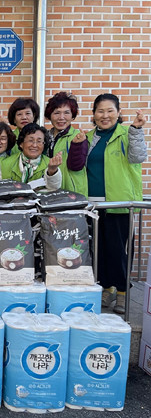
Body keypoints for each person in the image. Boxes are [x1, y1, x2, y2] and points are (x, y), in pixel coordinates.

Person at [86, 94, 147, 314]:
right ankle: (106, 288)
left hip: (119, 203)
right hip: (93, 205)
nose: (105, 115)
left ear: (119, 113)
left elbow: (138, 157)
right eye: (100, 111)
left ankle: (122, 291)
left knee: (118, 251)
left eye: (110, 110)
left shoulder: (127, 133)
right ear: (94, 114)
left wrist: (137, 130)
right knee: (98, 251)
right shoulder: (88, 137)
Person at [0, 123, 62, 190]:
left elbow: (54, 188)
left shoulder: (50, 164)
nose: (34, 145)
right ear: (21, 143)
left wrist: (52, 171)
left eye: (39, 141)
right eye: (30, 140)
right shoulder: (6, 163)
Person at [44, 92, 88, 196]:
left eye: (66, 113)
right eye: (56, 113)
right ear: (50, 115)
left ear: (73, 116)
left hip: (72, 193)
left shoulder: (78, 137)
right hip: (48, 190)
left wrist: (76, 146)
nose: (61, 117)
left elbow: (76, 166)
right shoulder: (44, 137)